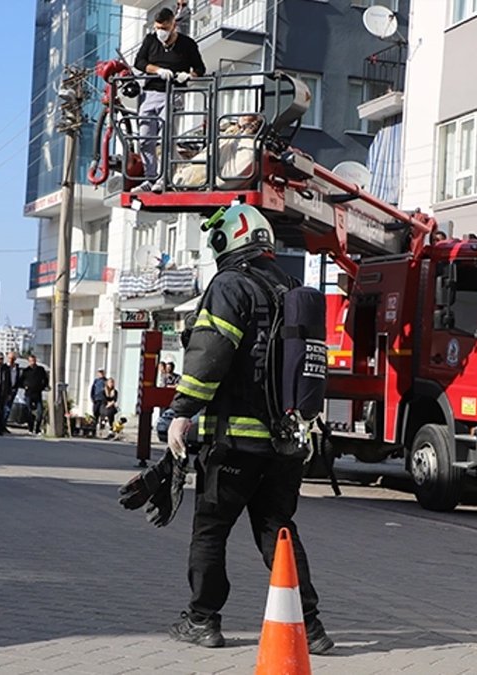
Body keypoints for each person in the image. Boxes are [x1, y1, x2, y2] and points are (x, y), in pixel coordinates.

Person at [164, 204, 333, 654]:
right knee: (278, 530)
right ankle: (311, 628)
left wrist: (182, 410)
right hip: (286, 443)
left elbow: (209, 355)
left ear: (225, 242)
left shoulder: (229, 285)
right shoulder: (291, 287)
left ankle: (202, 620)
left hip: (235, 442)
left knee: (211, 529)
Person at [132, 6, 206, 192]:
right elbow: (139, 62)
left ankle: (164, 178)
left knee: (167, 138)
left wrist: (188, 76)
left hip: (173, 93)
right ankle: (150, 178)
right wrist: (157, 70)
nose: (160, 32)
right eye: (157, 27)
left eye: (164, 28)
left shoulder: (187, 44)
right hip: (150, 93)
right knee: (145, 139)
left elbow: (200, 68)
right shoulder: (150, 40)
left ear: (173, 25)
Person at [20, 354, 48, 435]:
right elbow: (20, 381)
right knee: (29, 412)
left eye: (34, 361)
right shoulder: (26, 371)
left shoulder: (40, 370)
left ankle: (37, 429)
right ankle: (30, 428)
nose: (33, 362)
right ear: (28, 362)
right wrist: (24, 386)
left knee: (40, 412)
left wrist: (43, 386)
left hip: (38, 394)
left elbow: (45, 380)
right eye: (31, 361)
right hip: (28, 394)